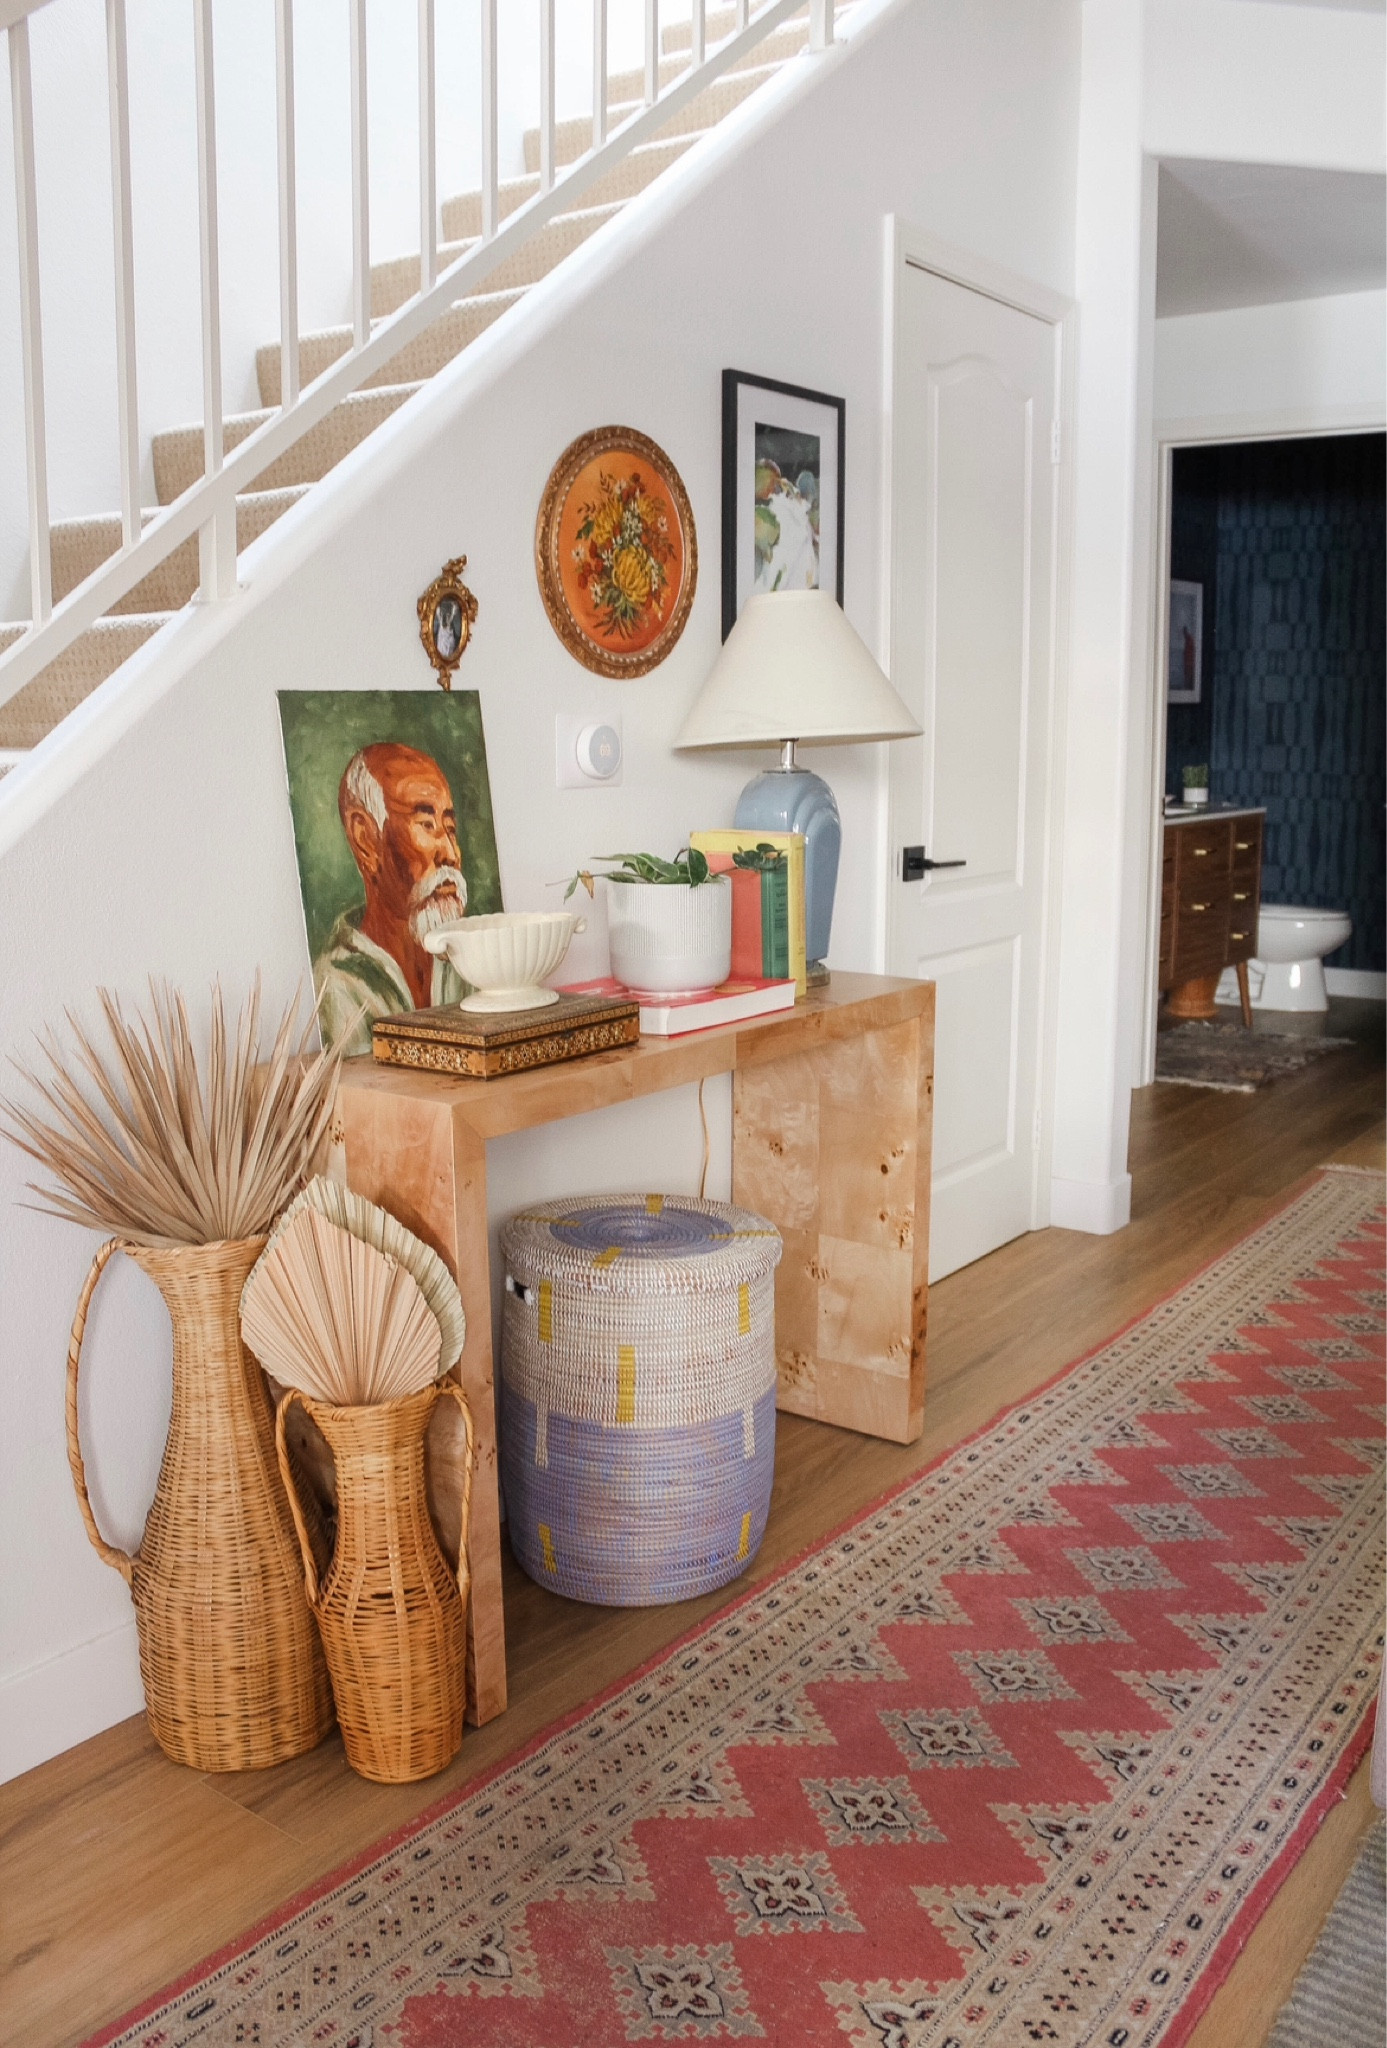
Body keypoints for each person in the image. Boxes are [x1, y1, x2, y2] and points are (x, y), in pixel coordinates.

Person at [315, 742, 468, 1055]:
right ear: (366, 840)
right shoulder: (337, 986)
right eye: (427, 825)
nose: (450, 854)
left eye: (449, 828)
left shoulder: (473, 961)